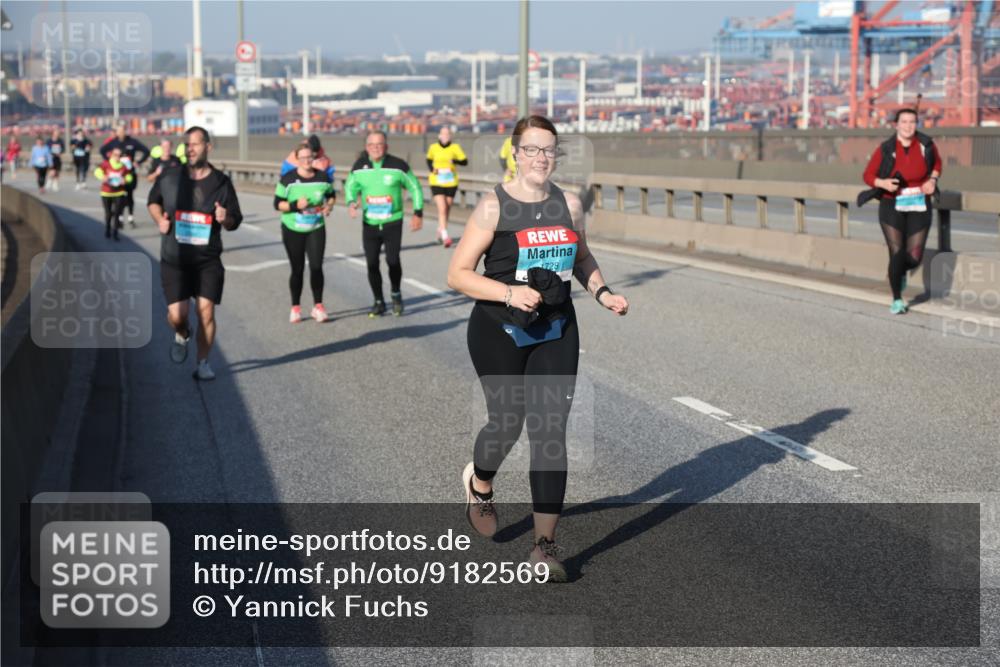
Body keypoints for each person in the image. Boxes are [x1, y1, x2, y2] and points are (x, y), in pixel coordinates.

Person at [446, 115, 629, 582]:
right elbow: (458, 274)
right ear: (514, 153)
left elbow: (581, 256)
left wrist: (603, 292)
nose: (541, 158)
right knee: (507, 424)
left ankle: (544, 547)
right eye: (531, 149)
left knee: (549, 433)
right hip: (498, 327)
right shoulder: (494, 206)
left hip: (556, 328)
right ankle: (480, 483)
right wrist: (508, 293)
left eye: (549, 150)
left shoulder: (569, 203)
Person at [147, 126, 243, 381]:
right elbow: (153, 201)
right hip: (174, 259)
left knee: (206, 312)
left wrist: (225, 218)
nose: (190, 149)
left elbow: (235, 219)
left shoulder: (221, 182)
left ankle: (203, 362)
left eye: (195, 144)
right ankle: (182, 333)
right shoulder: (169, 176)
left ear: (208, 147)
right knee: (178, 316)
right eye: (187, 144)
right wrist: (159, 220)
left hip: (206, 260)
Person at [859, 108, 941, 315]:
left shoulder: (926, 145)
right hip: (891, 203)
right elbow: (868, 175)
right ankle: (897, 299)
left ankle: (899, 272)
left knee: (913, 257)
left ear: (916, 124)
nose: (908, 126)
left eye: (912, 122)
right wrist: (883, 183)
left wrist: (932, 180)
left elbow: (937, 163)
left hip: (919, 203)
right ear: (896, 125)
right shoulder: (886, 149)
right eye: (903, 122)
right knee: (896, 252)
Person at [344, 130, 423, 317]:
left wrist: (417, 213)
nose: (376, 148)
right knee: (372, 263)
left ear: (386, 146)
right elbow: (349, 186)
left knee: (392, 260)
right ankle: (378, 301)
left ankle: (395, 293)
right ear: (366, 147)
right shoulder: (359, 166)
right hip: (370, 224)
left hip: (392, 222)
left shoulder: (398, 166)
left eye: (379, 144)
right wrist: (351, 202)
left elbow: (415, 187)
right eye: (372, 145)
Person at [274, 141, 336, 323]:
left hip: (316, 227)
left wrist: (328, 207)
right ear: (297, 159)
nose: (307, 160)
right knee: (298, 269)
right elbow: (277, 204)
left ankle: (318, 306)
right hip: (293, 228)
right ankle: (295, 307)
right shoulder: (288, 179)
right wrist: (294, 205)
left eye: (310, 157)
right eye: (303, 158)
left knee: (316, 266)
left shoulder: (323, 178)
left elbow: (331, 196)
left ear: (314, 158)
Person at [101, 121, 150, 227]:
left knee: (130, 196)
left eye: (123, 131)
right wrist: (109, 161)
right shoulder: (113, 142)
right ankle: (120, 218)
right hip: (117, 175)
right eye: (119, 131)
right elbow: (102, 150)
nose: (122, 133)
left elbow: (146, 151)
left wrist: (138, 162)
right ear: (117, 133)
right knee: (119, 197)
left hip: (129, 173)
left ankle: (131, 217)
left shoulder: (132, 142)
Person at [425, 126, 468, 248]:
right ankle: (445, 236)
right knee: (442, 207)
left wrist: (454, 161)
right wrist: (432, 169)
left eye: (448, 134)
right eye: (443, 134)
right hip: (436, 180)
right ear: (439, 135)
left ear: (450, 136)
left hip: (451, 182)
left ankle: (441, 229)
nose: (445, 136)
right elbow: (428, 160)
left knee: (447, 208)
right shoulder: (433, 147)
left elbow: (465, 161)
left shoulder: (455, 148)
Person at [94, 145, 133, 240]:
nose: (117, 157)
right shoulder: (106, 164)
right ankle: (107, 229)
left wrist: (126, 180)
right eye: (115, 155)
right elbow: (97, 171)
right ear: (111, 155)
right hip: (106, 192)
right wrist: (103, 177)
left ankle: (115, 233)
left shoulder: (123, 167)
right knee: (108, 213)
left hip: (119, 192)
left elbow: (129, 176)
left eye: (119, 155)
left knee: (117, 214)